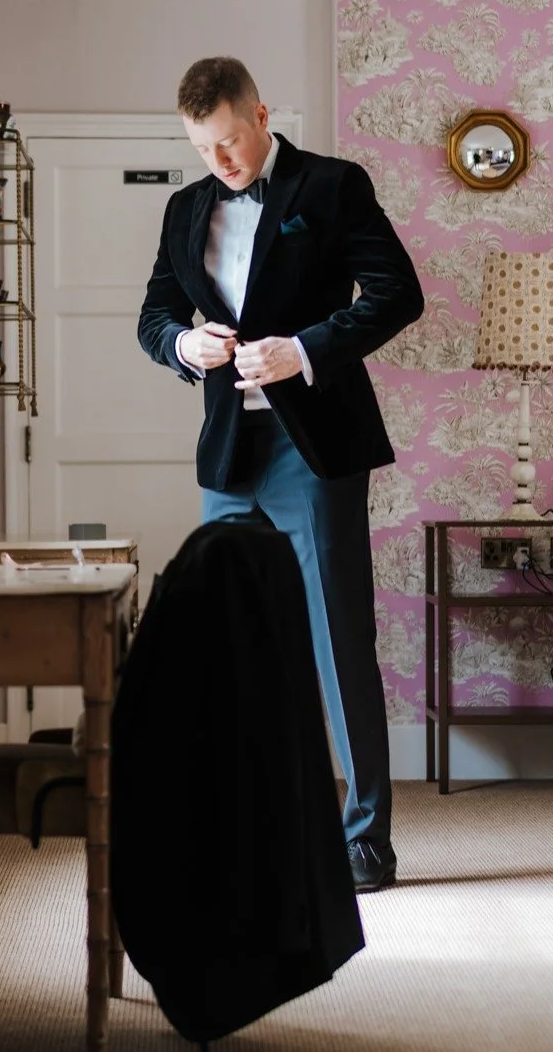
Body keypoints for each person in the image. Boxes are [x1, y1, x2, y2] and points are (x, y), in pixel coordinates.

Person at [137, 56, 424, 892]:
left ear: (260, 115)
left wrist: (303, 349)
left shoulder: (331, 186)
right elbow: (155, 314)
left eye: (229, 141)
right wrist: (183, 345)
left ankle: (365, 838)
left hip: (315, 447)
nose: (219, 161)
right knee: (225, 640)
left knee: (338, 640)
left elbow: (397, 293)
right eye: (203, 149)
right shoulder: (184, 208)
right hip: (229, 455)